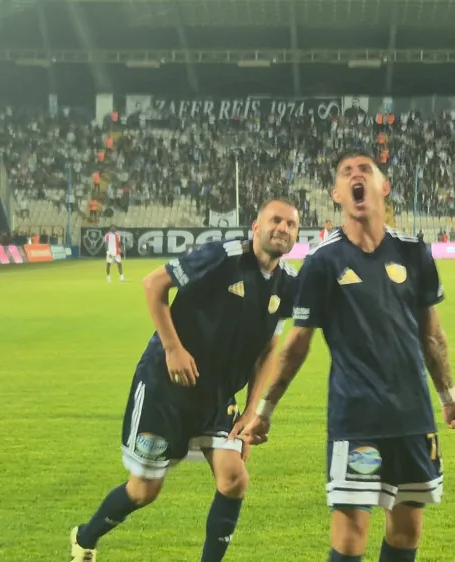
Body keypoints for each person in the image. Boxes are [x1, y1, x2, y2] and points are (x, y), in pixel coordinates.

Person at [236, 151, 455, 562]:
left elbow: (431, 334)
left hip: (413, 417)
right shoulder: (323, 261)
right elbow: (296, 345)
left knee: (406, 532)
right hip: (355, 417)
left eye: (365, 170)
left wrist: (449, 398)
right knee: (349, 538)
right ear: (337, 194)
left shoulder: (414, 252)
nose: (355, 175)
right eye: (346, 173)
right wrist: (265, 410)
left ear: (384, 187)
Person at [69, 200, 301, 562]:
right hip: (167, 389)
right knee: (143, 491)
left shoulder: (288, 284)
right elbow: (153, 284)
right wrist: (173, 348)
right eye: (276, 220)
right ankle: (85, 537)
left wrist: (251, 411)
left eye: (291, 224)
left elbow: (268, 350)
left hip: (218, 397)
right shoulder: (221, 257)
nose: (283, 228)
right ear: (256, 226)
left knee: (234, 479)